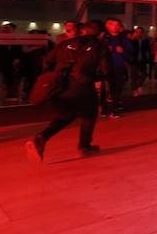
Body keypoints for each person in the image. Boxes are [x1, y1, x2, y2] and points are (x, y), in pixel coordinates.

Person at [25, 20, 110, 162]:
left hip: (60, 86)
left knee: (66, 115)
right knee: (89, 115)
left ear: (83, 31)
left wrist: (56, 75)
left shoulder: (64, 44)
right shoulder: (100, 46)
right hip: (82, 87)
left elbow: (47, 61)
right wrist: (92, 77)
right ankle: (85, 146)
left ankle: (41, 137)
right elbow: (106, 70)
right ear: (101, 34)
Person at [103, 18, 132, 118]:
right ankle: (104, 109)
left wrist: (123, 51)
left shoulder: (124, 39)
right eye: (112, 24)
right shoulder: (103, 38)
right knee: (105, 89)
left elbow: (130, 54)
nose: (115, 27)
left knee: (117, 88)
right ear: (107, 25)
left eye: (117, 25)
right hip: (104, 67)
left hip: (118, 66)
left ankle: (113, 109)